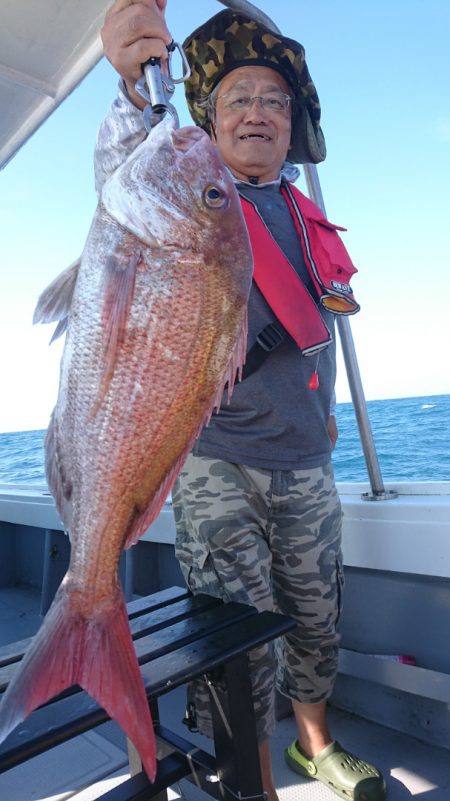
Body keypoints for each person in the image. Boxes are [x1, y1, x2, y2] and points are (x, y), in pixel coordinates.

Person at [99, 2, 387, 800]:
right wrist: (131, 88)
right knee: (238, 636)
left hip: (308, 464)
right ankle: (250, 774)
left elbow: (317, 335)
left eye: (274, 102)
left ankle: (313, 746)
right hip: (220, 463)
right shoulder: (191, 194)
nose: (258, 114)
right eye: (238, 100)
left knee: (316, 614)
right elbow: (129, 172)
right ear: (211, 123)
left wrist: (322, 413)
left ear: (292, 128)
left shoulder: (309, 216)